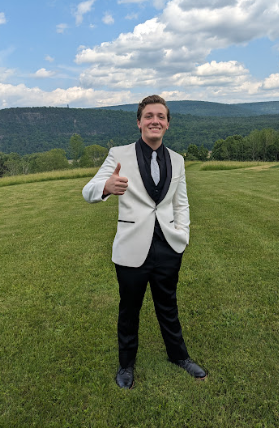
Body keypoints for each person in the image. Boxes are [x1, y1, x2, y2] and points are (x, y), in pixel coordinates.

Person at [82, 95, 207, 389]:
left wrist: (183, 234)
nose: (155, 121)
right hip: (131, 248)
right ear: (139, 122)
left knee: (168, 306)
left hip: (168, 246)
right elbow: (87, 191)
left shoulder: (177, 160)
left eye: (161, 116)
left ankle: (179, 357)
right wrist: (106, 187)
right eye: (149, 116)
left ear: (167, 124)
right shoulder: (118, 155)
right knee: (129, 309)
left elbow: (181, 203)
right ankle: (126, 365)